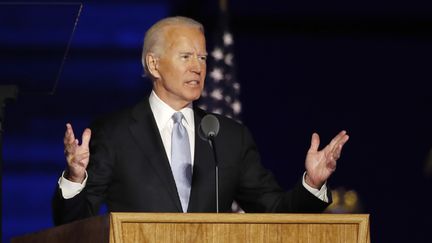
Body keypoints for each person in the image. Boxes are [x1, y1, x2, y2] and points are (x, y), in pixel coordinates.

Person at [52, 16, 349, 225]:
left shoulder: (229, 137)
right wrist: (76, 178)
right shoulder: (114, 133)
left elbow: (275, 211)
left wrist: (312, 182)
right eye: (186, 57)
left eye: (203, 58)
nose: (198, 68)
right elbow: (75, 225)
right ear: (154, 64)